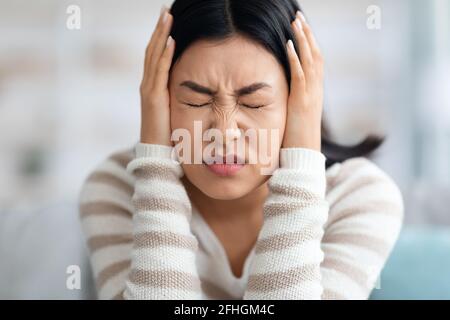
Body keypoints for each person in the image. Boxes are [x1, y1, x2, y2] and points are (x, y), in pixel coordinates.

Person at [78, 0, 404, 300]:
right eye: (196, 100)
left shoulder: (360, 197)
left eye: (254, 103)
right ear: (158, 97)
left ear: (301, 100)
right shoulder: (116, 189)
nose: (224, 134)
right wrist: (155, 170)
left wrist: (300, 166)